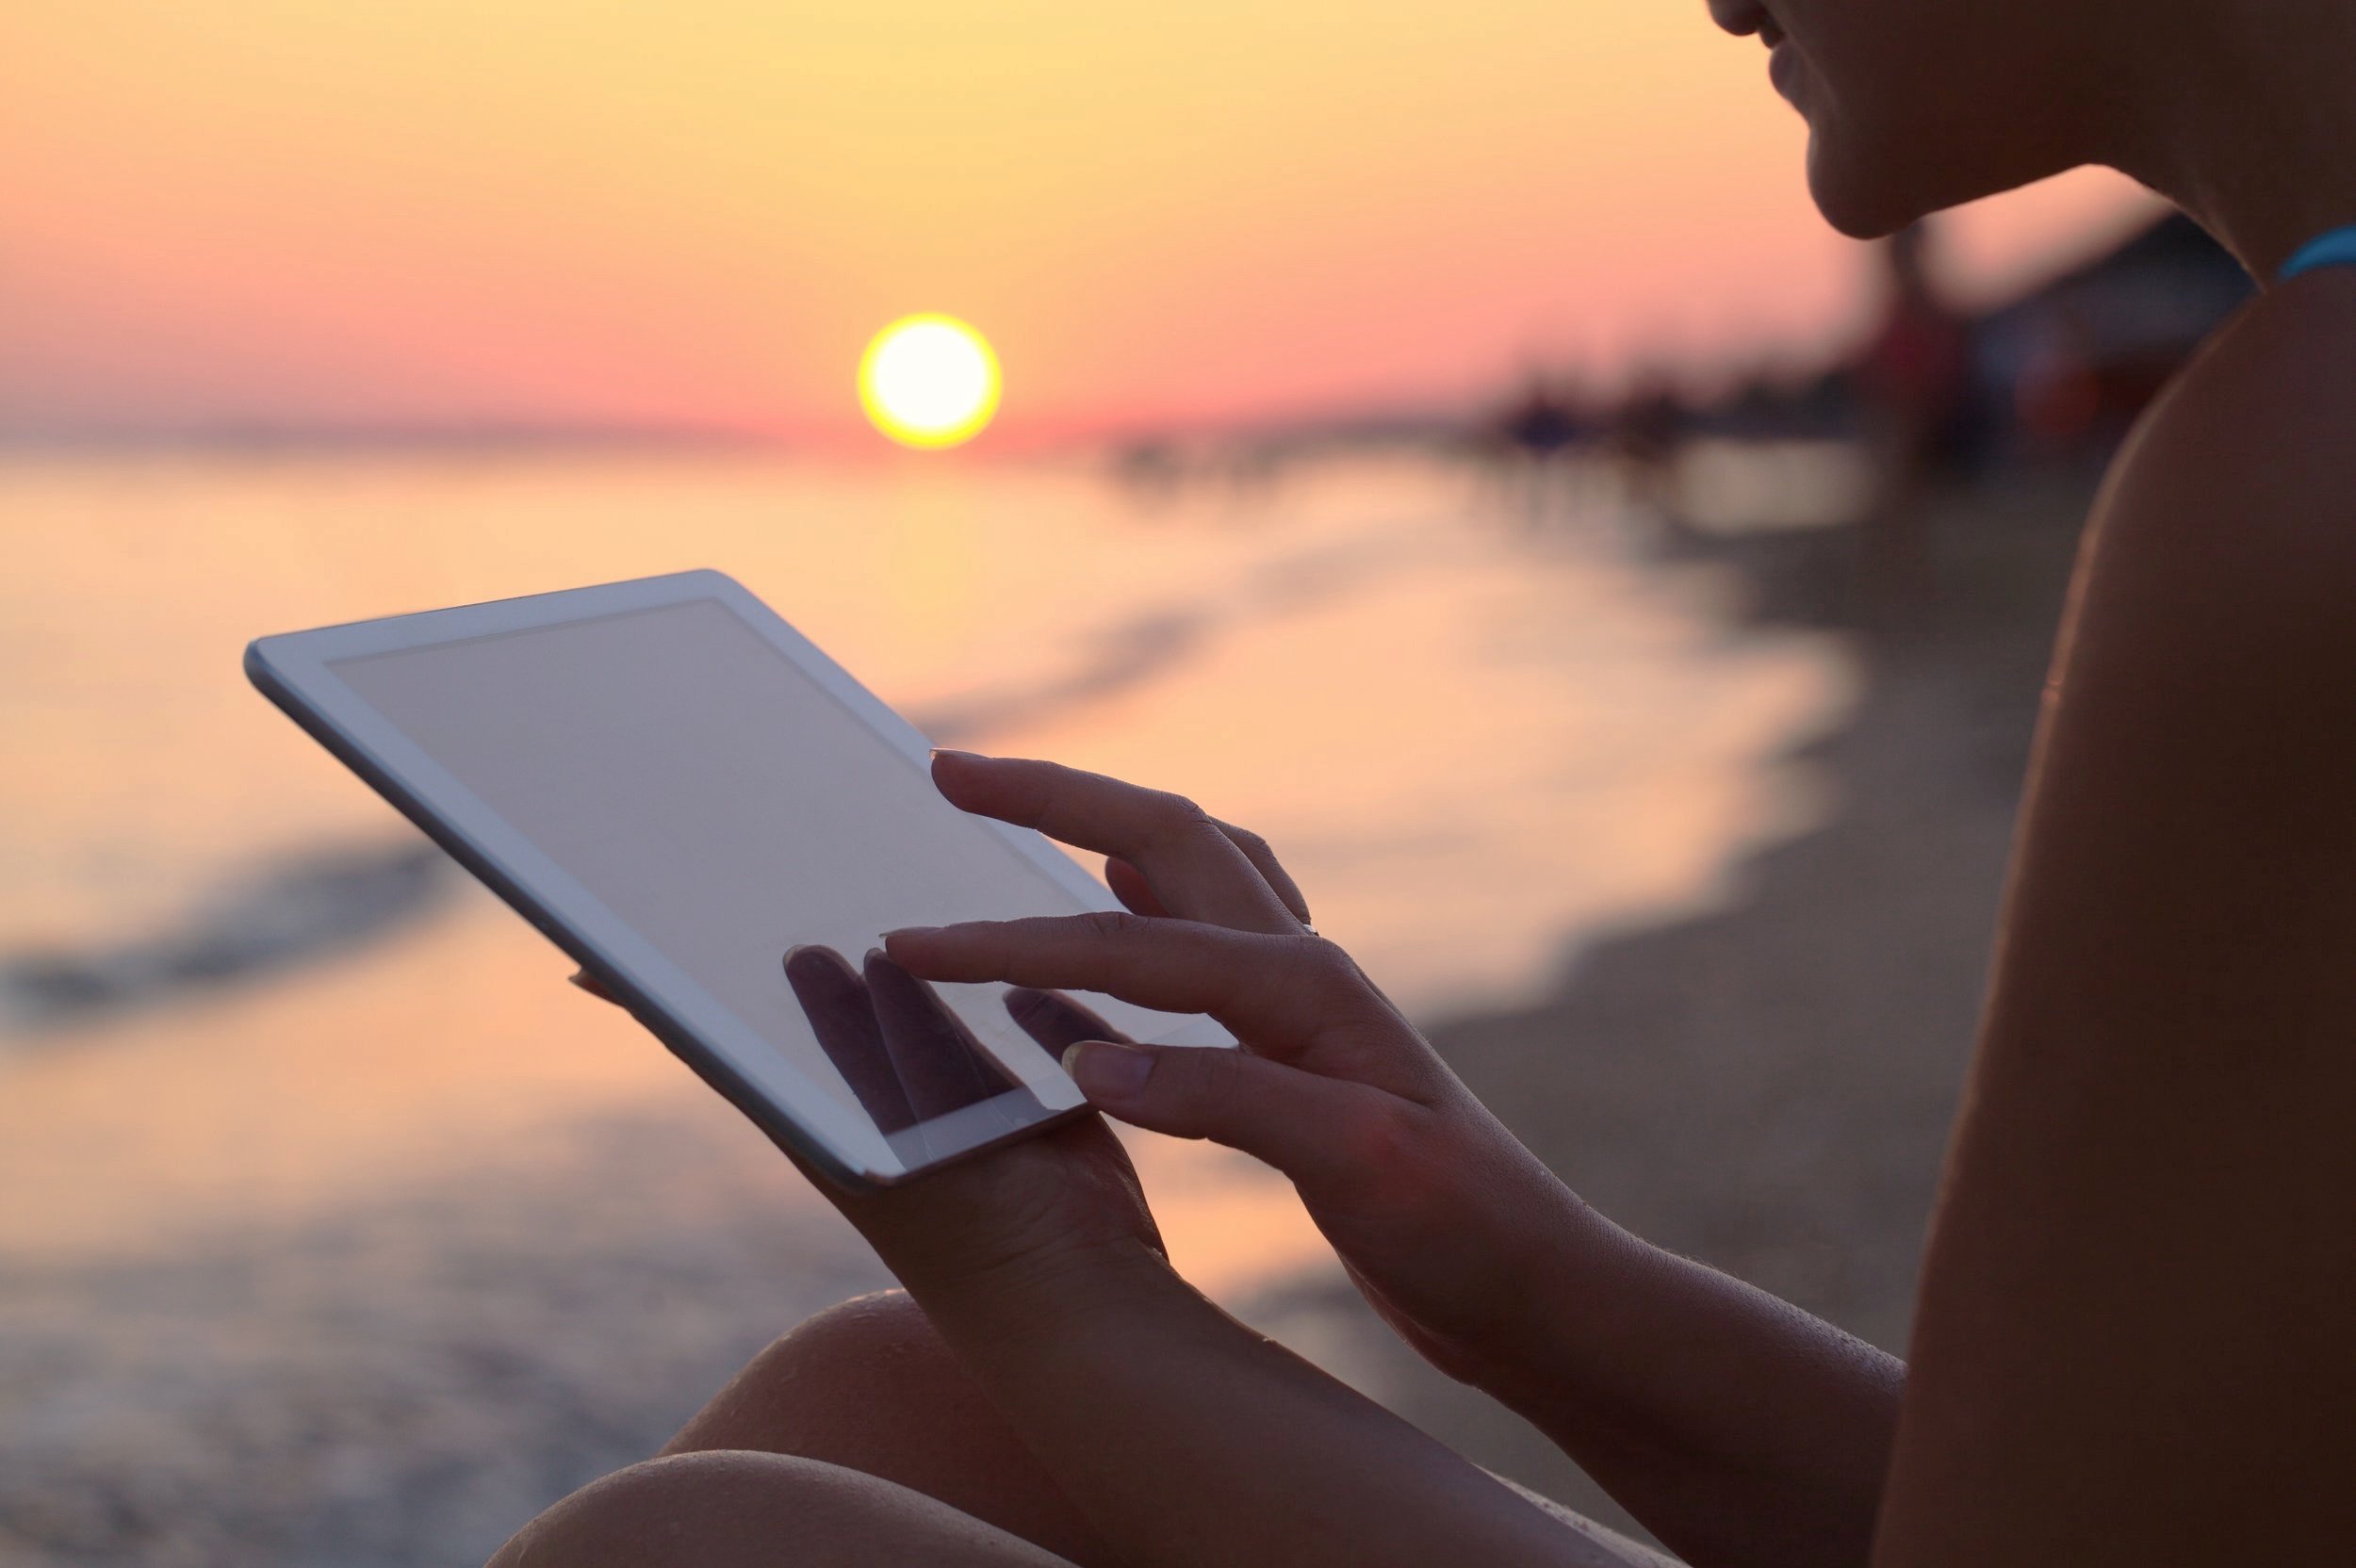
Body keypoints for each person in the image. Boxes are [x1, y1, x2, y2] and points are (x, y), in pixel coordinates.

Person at [494, 0, 2356, 1560]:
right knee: (888, 1389)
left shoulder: (2299, 467)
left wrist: (1068, 1299)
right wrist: (1527, 1279)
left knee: (690, 1547)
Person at [1852, 222, 1973, 624]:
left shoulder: (1924, 311)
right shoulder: (1905, 310)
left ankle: (1909, 589)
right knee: (1896, 506)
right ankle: (1901, 587)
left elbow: (1940, 368)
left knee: (1903, 505)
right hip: (1902, 414)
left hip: (1920, 416)